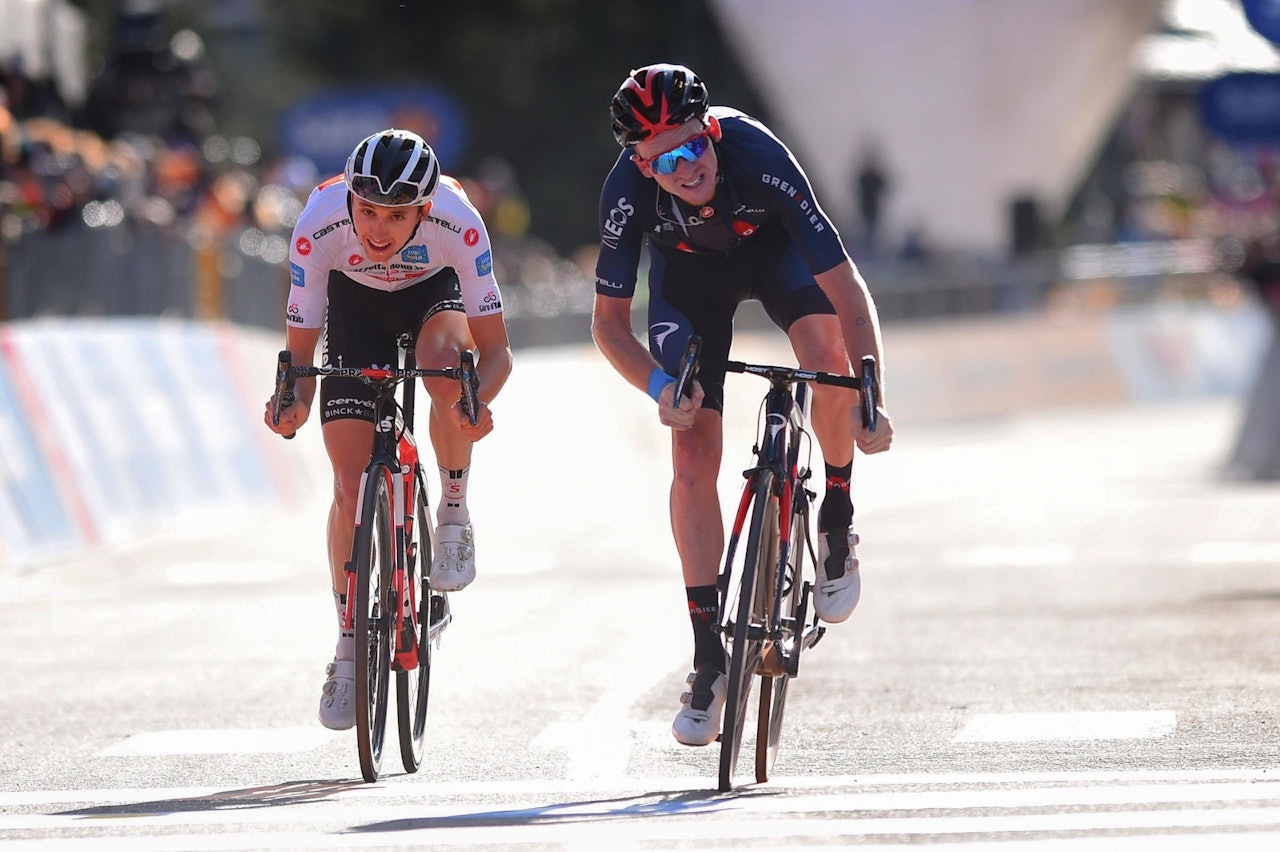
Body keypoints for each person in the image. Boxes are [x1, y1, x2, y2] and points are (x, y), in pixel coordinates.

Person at [592, 64, 894, 747]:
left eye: (694, 144)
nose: (687, 164)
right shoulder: (624, 195)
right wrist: (661, 389)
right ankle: (707, 656)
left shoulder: (757, 155)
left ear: (712, 130)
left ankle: (837, 512)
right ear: (640, 166)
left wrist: (872, 390)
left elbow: (847, 289)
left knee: (826, 352)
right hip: (688, 282)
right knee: (692, 447)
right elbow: (609, 327)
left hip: (778, 257)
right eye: (664, 158)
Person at [263, 129, 513, 730]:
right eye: (368, 211)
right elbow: (300, 362)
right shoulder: (318, 222)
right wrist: (292, 401)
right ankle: (349, 645)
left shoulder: (460, 222)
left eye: (397, 216)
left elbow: (497, 351)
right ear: (349, 199)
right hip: (355, 306)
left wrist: (474, 405)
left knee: (449, 372)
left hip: (434, 297)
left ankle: (452, 509)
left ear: (424, 211)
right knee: (349, 488)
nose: (378, 229)